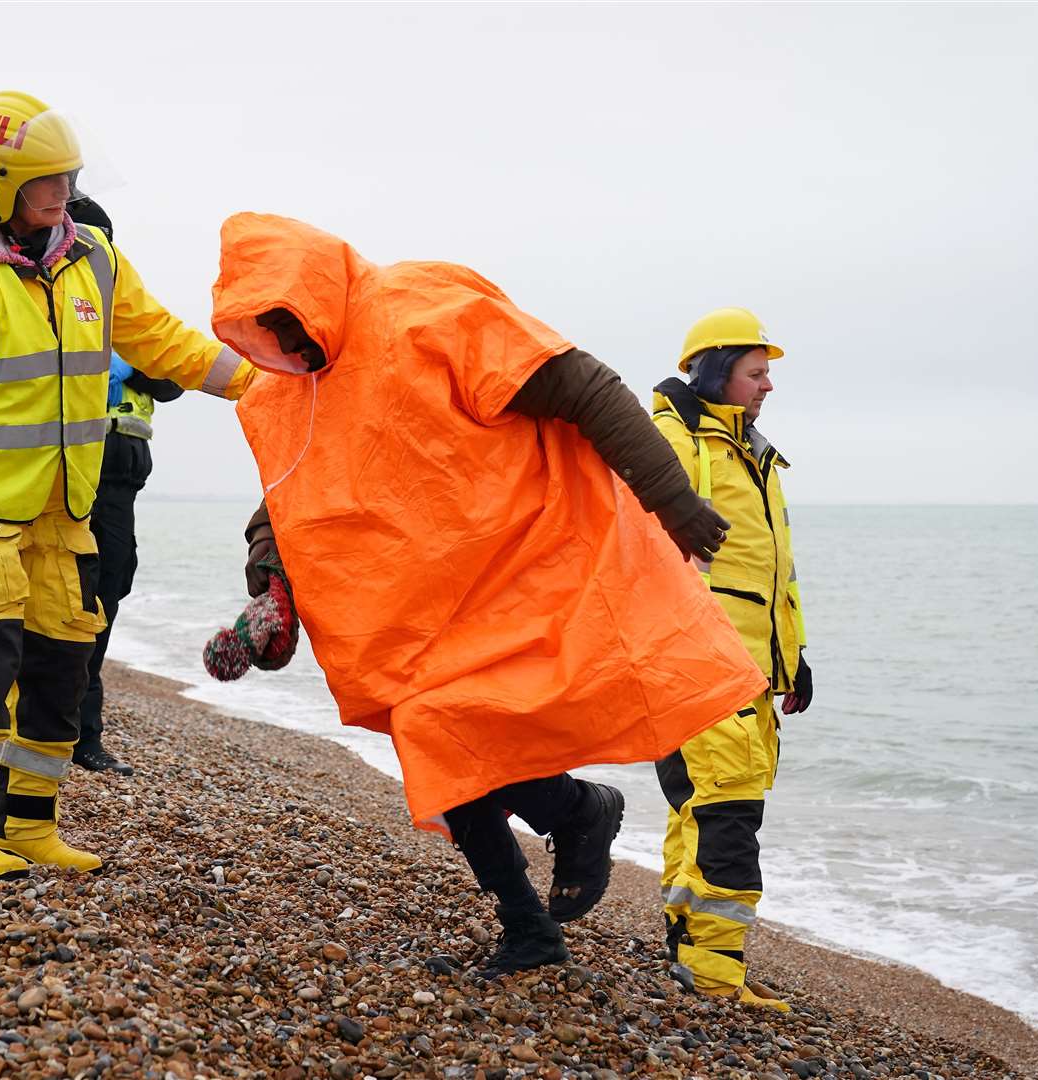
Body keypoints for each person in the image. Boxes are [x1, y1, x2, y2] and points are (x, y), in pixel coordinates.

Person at [213, 213, 768, 976]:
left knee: (463, 732)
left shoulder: (428, 311)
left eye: (290, 320)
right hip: (417, 612)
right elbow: (283, 499)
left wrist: (670, 501)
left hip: (528, 566)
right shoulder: (284, 389)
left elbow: (582, 384)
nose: (286, 341)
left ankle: (571, 833)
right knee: (435, 733)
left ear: (316, 289)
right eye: (265, 330)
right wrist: (268, 596)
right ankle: (540, 900)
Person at [0, 92, 253, 881]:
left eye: (69, 179)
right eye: (46, 183)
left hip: (61, 508)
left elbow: (165, 343)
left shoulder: (94, 260)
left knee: (61, 661)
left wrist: (260, 385)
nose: (64, 196)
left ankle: (28, 824)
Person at [651, 308, 811, 1011]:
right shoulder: (676, 439)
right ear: (716, 371)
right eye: (756, 371)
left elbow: (774, 571)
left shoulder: (753, 452)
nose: (768, 384)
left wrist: (794, 657)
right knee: (728, 812)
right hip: (699, 662)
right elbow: (650, 544)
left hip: (749, 667)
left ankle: (688, 950)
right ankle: (716, 974)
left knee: (698, 807)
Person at [66, 200, 183, 777]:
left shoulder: (125, 307)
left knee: (106, 591)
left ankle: (81, 733)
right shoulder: (46, 298)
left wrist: (130, 358)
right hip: (61, 471)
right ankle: (57, 731)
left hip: (119, 481)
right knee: (63, 597)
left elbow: (172, 380)